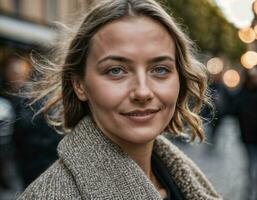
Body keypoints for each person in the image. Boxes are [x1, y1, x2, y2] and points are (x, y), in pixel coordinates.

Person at [18, 0, 222, 199]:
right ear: (79, 84)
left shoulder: (183, 177)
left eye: (160, 69)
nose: (143, 92)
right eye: (116, 71)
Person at [232, 67, 257, 200]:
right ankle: (250, 190)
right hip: (248, 138)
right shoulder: (243, 93)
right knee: (251, 165)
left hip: (250, 136)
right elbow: (233, 109)